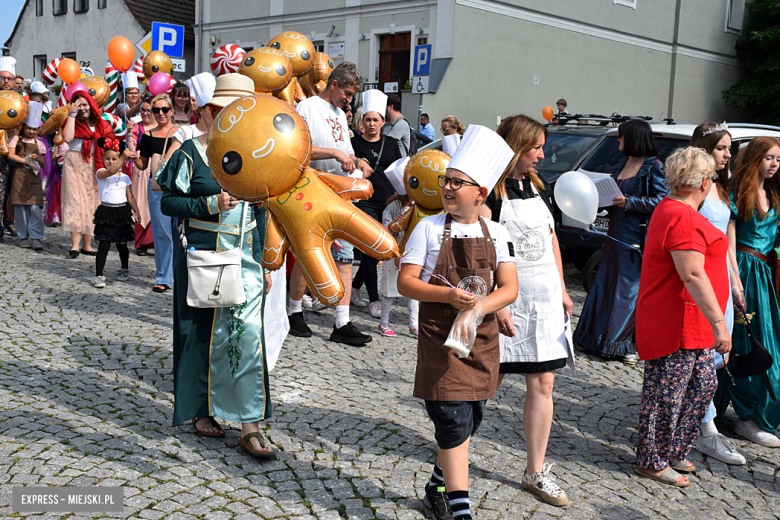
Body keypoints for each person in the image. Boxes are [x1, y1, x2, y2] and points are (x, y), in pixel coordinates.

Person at [399, 125, 518, 520]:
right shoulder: (428, 228)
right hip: (441, 344)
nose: (447, 188)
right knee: (452, 424)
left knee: (469, 423)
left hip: (480, 342)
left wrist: (485, 305)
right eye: (446, 180)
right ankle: (460, 512)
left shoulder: (497, 233)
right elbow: (406, 282)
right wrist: (448, 296)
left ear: (480, 193)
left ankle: (436, 485)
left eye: (457, 182)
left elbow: (510, 287)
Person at [158, 73, 277, 458]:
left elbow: (262, 214)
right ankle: (200, 410)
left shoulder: (259, 154)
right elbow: (168, 203)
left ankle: (249, 423)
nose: (239, 119)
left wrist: (264, 264)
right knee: (199, 335)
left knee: (247, 339)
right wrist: (209, 205)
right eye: (230, 111)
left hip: (243, 259)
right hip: (203, 258)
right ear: (212, 111)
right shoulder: (191, 152)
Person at [479, 115, 573, 506]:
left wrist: (565, 290)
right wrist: (499, 302)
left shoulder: (539, 186)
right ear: (516, 146)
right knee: (484, 384)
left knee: (544, 383)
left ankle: (535, 471)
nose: (541, 154)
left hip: (545, 298)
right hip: (509, 300)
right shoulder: (490, 194)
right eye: (535, 147)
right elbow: (483, 252)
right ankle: (451, 455)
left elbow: (551, 240)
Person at [634, 147, 732, 487]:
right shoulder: (681, 215)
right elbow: (692, 274)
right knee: (667, 394)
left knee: (703, 384)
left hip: (692, 321)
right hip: (677, 321)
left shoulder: (675, 209)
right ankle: (652, 459)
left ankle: (674, 447)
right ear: (704, 183)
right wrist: (721, 323)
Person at [291, 61, 373, 345]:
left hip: (340, 192)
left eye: (352, 96)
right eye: (348, 93)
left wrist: (359, 162)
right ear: (334, 83)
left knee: (345, 257)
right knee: (309, 252)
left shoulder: (339, 114)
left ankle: (342, 321)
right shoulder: (308, 107)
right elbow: (298, 149)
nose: (349, 101)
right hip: (313, 187)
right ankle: (294, 311)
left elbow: (347, 151)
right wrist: (335, 155)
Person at [574, 120, 668, 364]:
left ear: (634, 138)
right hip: (615, 231)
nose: (618, 141)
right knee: (606, 283)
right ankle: (594, 339)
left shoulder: (654, 166)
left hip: (633, 236)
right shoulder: (622, 163)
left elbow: (661, 201)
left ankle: (624, 344)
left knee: (627, 289)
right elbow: (612, 194)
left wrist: (630, 202)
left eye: (621, 137)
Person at [715, 136, 780, 448]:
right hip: (741, 270)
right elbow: (728, 240)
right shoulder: (738, 190)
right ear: (755, 157)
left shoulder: (774, 191)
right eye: (769, 157)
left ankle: (756, 411)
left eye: (778, 159)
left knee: (768, 343)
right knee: (745, 340)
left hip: (766, 274)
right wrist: (735, 280)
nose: (774, 164)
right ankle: (747, 416)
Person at [690, 123, 746, 465]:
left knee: (717, 355)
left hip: (722, 279)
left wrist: (736, 281)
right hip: (701, 277)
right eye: (722, 149)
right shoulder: (694, 188)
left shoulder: (722, 188)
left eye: (729, 150)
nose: (728, 155)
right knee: (701, 349)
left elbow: (729, 239)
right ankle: (705, 426)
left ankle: (700, 419)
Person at [350, 90, 402, 320]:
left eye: (375, 119)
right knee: (371, 249)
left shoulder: (391, 143)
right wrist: (356, 160)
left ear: (383, 121)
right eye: (367, 119)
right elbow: (345, 159)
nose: (371, 124)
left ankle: (353, 289)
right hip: (364, 202)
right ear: (363, 122)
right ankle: (373, 299)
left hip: (388, 202)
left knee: (376, 253)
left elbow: (402, 168)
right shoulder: (353, 143)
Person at [61, 92, 116, 258]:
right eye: (78, 105)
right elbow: (67, 137)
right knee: (75, 202)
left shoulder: (101, 124)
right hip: (74, 163)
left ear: (91, 105)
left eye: (85, 104)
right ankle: (75, 246)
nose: (82, 108)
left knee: (92, 203)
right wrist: (71, 114)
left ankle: (87, 245)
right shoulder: (72, 121)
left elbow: (110, 144)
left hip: (94, 164)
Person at [134, 94, 179, 293]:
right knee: (162, 234)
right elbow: (143, 164)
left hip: (180, 189)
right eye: (156, 110)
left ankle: (180, 275)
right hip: (157, 188)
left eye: (164, 109)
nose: (160, 113)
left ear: (171, 110)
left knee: (180, 234)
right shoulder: (148, 136)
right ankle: (163, 276)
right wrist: (134, 159)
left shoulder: (182, 133)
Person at [379, 157, 419, 337]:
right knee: (390, 289)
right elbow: (385, 229)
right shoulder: (392, 207)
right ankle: (383, 323)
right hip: (395, 252)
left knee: (414, 290)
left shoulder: (420, 206)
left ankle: (414, 325)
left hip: (413, 252)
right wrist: (393, 226)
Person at [92, 142, 140, 288]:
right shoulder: (101, 173)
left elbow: (130, 197)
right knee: (104, 245)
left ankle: (124, 268)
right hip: (106, 211)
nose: (111, 162)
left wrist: (136, 211)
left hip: (122, 212)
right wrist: (122, 159)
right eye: (108, 159)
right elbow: (111, 171)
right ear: (103, 159)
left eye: (114, 159)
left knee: (122, 244)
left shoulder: (125, 177)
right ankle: (99, 275)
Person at [7, 102, 46, 250]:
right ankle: (22, 236)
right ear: (24, 127)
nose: (31, 131)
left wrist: (37, 159)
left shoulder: (40, 143)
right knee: (20, 208)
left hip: (34, 179)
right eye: (29, 128)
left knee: (35, 208)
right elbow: (11, 155)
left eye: (35, 129)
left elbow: (42, 163)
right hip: (19, 176)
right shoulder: (16, 139)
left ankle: (36, 237)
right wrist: (26, 161)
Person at [163, 73, 217, 162]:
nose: (216, 113)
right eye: (212, 109)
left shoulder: (222, 133)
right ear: (201, 110)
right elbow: (168, 164)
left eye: (220, 108)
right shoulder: (185, 132)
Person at [131, 101, 156, 255]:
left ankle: (153, 240)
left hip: (158, 164)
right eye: (143, 110)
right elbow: (130, 147)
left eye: (149, 110)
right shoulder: (136, 127)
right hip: (141, 165)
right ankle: (140, 242)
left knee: (156, 201)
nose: (146, 113)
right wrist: (128, 134)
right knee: (140, 202)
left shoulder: (163, 128)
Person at [0, 57, 18, 241]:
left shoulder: (19, 100)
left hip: (14, 151)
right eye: (2, 78)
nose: (6, 81)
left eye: (9, 78)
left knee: (11, 189)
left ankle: (9, 221)